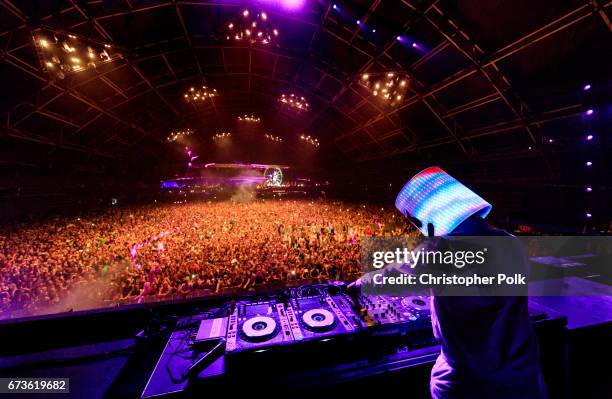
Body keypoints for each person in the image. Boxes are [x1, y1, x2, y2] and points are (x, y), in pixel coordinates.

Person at [354, 166, 547, 399]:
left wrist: (360, 284)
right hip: (522, 376)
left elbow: (393, 277)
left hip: (470, 382)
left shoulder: (441, 252)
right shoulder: (512, 242)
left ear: (431, 220)